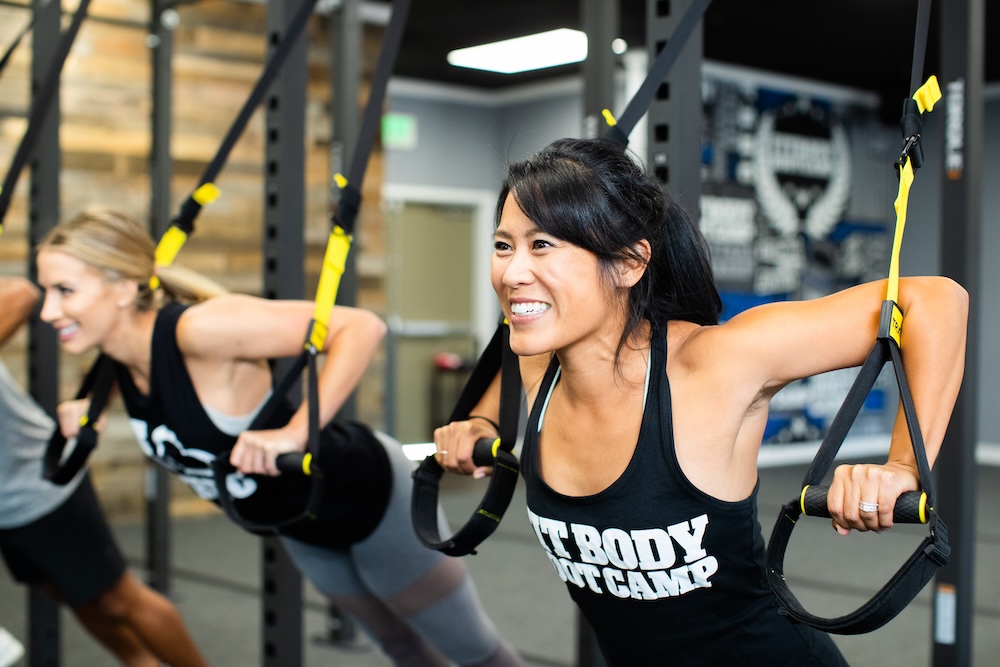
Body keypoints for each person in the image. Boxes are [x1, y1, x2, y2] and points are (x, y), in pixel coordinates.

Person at [432, 137, 969, 665]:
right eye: (504, 245)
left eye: (542, 245)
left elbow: (936, 303)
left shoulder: (717, 363)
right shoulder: (537, 363)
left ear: (628, 263)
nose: (512, 272)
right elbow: (510, 343)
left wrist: (902, 466)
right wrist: (477, 422)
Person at [35, 209, 522, 667]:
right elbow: (172, 403)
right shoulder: (117, 363)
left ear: (121, 288)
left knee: (476, 653)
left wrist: (293, 433)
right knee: (400, 647)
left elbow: (360, 327)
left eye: (65, 290)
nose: (48, 311)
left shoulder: (201, 330)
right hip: (299, 522)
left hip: (369, 496)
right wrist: (91, 411)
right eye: (47, 292)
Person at [0, 276, 209, 667]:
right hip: (4, 505)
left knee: (118, 598)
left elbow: (20, 292)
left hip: (39, 484)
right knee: (69, 592)